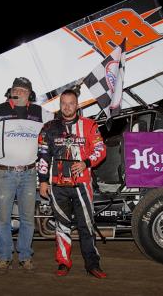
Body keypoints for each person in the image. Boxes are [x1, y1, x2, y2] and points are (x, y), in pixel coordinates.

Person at [0, 77, 53, 274]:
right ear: (10, 92)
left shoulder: (39, 112)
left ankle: (25, 256)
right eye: (16, 90)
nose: (20, 93)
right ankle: (4, 257)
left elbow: (60, 123)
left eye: (24, 91)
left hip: (29, 173)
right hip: (4, 173)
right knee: (3, 220)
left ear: (30, 95)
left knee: (27, 218)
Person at [37, 89, 108, 279]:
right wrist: (43, 181)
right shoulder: (49, 128)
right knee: (62, 226)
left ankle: (92, 264)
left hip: (82, 186)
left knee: (87, 226)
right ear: (59, 106)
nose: (67, 107)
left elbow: (101, 149)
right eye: (64, 104)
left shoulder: (90, 125)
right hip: (58, 186)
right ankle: (63, 262)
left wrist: (85, 163)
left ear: (78, 105)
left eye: (71, 103)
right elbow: (43, 156)